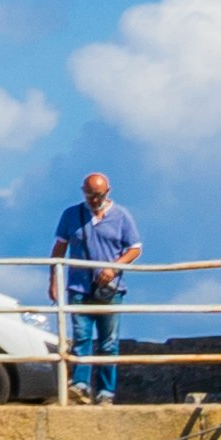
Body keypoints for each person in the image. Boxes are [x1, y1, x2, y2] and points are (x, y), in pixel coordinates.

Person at [49, 172, 138, 404]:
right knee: (81, 338)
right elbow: (59, 248)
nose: (93, 200)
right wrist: (53, 281)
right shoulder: (71, 215)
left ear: (107, 192)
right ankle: (81, 385)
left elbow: (135, 248)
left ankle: (106, 392)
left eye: (97, 195)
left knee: (109, 342)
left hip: (111, 290)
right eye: (89, 195)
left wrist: (114, 268)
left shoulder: (122, 216)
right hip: (79, 287)